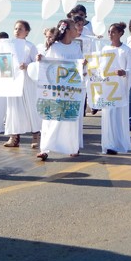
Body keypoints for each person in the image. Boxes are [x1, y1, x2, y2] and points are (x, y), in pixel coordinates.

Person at [35, 19, 85, 161]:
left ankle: (71, 147)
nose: (77, 30)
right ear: (68, 30)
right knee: (51, 118)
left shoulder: (76, 47)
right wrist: (40, 59)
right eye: (74, 28)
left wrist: (83, 64)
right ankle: (45, 148)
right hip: (56, 89)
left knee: (70, 118)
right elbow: (47, 66)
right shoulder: (54, 47)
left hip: (70, 89)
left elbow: (79, 66)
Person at [3, 20, 41, 149]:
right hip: (13, 81)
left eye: (20, 29)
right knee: (13, 108)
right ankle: (14, 136)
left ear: (27, 32)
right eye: (15, 28)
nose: (17, 31)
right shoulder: (8, 44)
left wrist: (27, 65)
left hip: (26, 81)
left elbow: (37, 64)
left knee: (30, 106)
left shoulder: (30, 46)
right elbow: (3, 61)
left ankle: (36, 134)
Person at [101, 22, 131, 155]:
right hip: (108, 87)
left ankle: (118, 143)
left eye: (113, 32)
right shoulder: (105, 49)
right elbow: (100, 68)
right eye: (109, 32)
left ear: (120, 34)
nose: (110, 34)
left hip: (120, 88)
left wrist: (124, 72)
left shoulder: (126, 50)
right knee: (108, 114)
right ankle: (109, 143)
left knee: (117, 115)